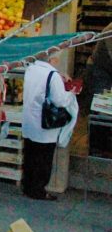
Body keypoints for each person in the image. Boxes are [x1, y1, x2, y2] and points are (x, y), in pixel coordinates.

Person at [21, 53, 77, 201]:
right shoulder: (53, 76)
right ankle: (38, 190)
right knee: (44, 158)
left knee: (30, 155)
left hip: (29, 120)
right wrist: (71, 93)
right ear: (53, 60)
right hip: (45, 123)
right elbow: (60, 101)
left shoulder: (31, 69)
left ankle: (27, 186)